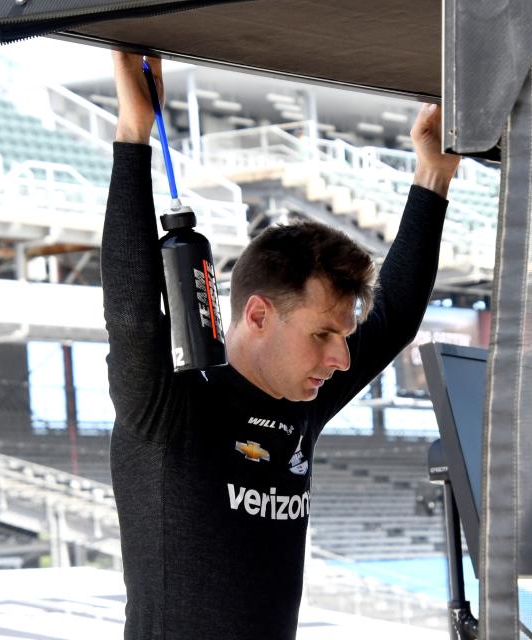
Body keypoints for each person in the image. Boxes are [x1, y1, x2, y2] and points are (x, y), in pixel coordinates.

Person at [103, 52, 461, 639]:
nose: (341, 359)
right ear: (259, 316)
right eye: (323, 335)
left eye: (343, 338)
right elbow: (133, 319)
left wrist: (434, 177)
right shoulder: (168, 411)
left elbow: (392, 318)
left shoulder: (300, 405)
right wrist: (133, 135)